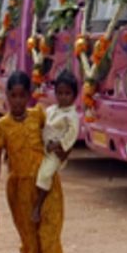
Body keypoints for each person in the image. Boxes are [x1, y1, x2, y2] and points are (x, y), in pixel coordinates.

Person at [0, 71, 70, 253]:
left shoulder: (39, 117)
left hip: (47, 187)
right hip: (20, 193)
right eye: (13, 96)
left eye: (22, 96)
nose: (17, 101)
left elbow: (58, 138)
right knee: (32, 244)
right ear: (6, 96)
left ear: (29, 97)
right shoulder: (1, 127)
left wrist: (63, 151)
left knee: (49, 239)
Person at [32, 70, 79, 224]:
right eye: (59, 93)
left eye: (67, 93)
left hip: (55, 152)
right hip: (43, 145)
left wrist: (59, 145)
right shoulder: (51, 109)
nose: (63, 97)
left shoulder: (71, 116)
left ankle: (38, 206)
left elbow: (71, 136)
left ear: (74, 95)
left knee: (45, 174)